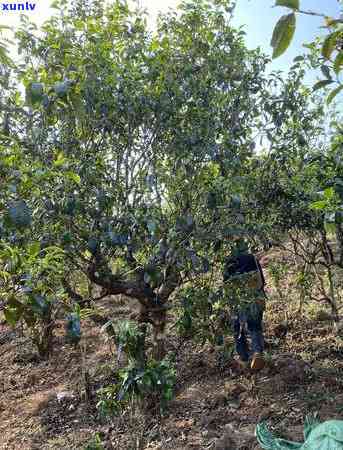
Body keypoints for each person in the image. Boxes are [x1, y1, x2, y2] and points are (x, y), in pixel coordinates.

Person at [223, 239, 267, 371]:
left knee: (237, 329)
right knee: (255, 325)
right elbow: (262, 280)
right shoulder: (251, 258)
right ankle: (257, 352)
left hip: (237, 300)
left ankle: (244, 358)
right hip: (254, 297)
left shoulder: (229, 262)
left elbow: (226, 284)